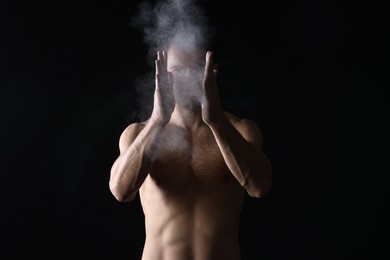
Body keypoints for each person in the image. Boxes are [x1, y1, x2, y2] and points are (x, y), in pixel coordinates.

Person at [109, 41, 273, 260]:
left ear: (212, 70)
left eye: (195, 69)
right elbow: (121, 190)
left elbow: (259, 187)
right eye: (176, 71)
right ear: (163, 76)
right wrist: (158, 120)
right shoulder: (137, 134)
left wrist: (216, 121)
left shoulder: (242, 130)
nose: (187, 79)